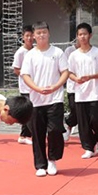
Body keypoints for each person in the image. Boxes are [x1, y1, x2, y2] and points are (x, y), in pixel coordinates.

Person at [21, 21, 69, 177]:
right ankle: (40, 165)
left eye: (44, 32)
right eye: (38, 33)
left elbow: (65, 72)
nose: (41, 35)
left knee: (55, 130)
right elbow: (25, 75)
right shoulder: (30, 55)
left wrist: (55, 86)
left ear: (49, 33)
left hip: (55, 98)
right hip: (36, 99)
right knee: (37, 133)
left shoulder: (57, 53)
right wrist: (36, 88)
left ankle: (52, 159)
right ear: (33, 36)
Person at [68, 23, 98, 159]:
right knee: (83, 123)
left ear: (90, 35)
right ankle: (88, 148)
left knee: (97, 120)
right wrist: (76, 79)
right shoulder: (73, 55)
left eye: (85, 34)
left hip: (95, 92)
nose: (82, 37)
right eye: (80, 35)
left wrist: (91, 77)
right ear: (77, 37)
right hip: (80, 93)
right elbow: (69, 72)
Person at [12, 25, 35, 145]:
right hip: (26, 87)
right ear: (23, 37)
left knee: (31, 111)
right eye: (27, 36)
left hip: (35, 87)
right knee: (28, 111)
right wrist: (27, 75)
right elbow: (16, 69)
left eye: (31, 35)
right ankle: (25, 135)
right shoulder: (20, 52)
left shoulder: (36, 50)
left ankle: (27, 134)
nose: (30, 38)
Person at [63, 39, 80, 140]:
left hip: (85, 88)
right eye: (80, 35)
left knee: (83, 111)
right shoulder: (69, 51)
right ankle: (69, 127)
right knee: (74, 109)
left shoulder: (89, 51)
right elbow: (65, 68)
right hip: (72, 87)